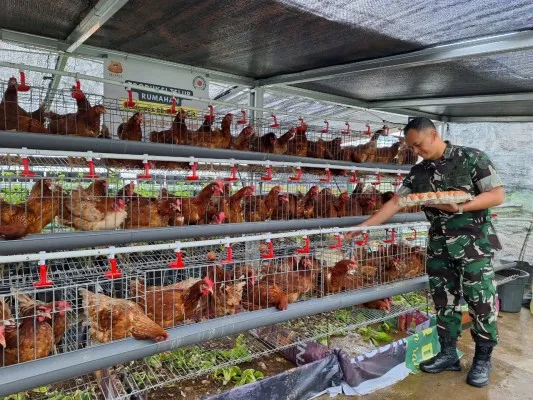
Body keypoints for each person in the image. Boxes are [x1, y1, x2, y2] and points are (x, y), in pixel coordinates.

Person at [346, 117, 505, 387]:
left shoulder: (471, 158)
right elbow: (396, 202)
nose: (416, 152)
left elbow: (497, 195)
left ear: (433, 135)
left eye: (418, 145)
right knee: (444, 301)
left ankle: (482, 358)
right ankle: (448, 353)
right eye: (412, 149)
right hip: (439, 246)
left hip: (473, 245)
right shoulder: (419, 172)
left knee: (480, 302)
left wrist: (461, 208)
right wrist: (364, 226)